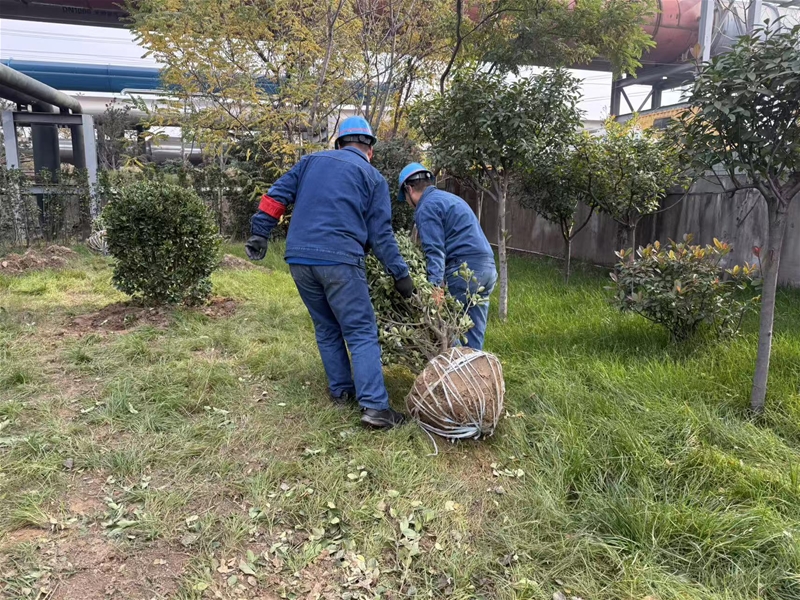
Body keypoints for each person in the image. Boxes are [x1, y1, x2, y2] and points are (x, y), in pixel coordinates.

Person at [245, 116, 413, 429]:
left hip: (299, 258)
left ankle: (341, 392)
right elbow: (381, 234)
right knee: (360, 331)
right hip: (340, 260)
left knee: (326, 326)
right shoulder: (372, 176)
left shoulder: (310, 162)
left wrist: (260, 232)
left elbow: (275, 195)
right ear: (370, 149)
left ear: (339, 144)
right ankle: (375, 407)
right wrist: (400, 274)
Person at [398, 163, 497, 350]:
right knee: (473, 334)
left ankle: (453, 366)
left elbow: (435, 251)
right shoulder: (450, 198)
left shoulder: (426, 207)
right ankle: (474, 367)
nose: (409, 205)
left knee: (445, 329)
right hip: (487, 269)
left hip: (464, 269)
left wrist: (435, 290)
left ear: (409, 189)